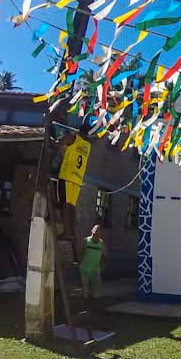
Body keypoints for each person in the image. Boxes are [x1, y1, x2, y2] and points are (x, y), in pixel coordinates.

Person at [57, 116, 94, 261]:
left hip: (66, 176)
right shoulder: (87, 146)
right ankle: (70, 232)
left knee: (65, 205)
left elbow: (58, 144)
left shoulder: (72, 138)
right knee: (71, 206)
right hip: (77, 179)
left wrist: (57, 140)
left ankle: (67, 232)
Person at [79, 224, 106, 327]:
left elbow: (105, 255)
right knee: (85, 292)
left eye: (98, 231)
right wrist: (80, 265)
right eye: (95, 230)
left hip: (95, 271)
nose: (96, 232)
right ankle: (85, 312)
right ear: (91, 231)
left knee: (97, 293)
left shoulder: (101, 244)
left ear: (100, 234)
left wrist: (104, 265)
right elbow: (80, 253)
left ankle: (95, 314)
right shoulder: (86, 241)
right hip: (84, 270)